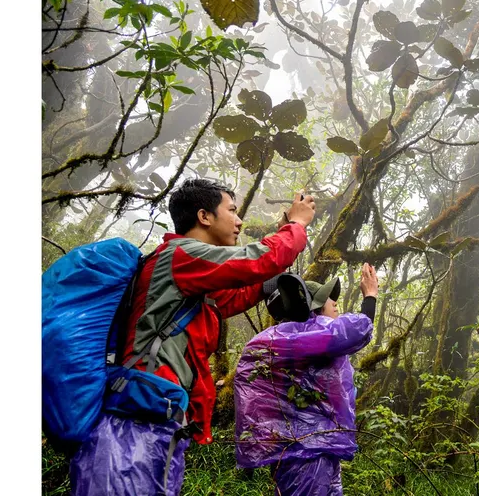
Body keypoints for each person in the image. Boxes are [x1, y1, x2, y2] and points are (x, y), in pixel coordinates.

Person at [69, 178, 317, 496]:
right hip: (134, 424)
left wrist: (272, 276)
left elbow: (234, 296)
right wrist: (295, 225)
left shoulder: (193, 277)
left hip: (157, 420)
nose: (239, 220)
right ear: (204, 216)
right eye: (232, 210)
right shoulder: (180, 255)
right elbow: (258, 260)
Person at [233, 264, 380, 496]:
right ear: (312, 309)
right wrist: (370, 295)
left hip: (319, 446)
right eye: (328, 300)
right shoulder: (295, 339)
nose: (335, 304)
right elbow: (354, 331)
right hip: (304, 449)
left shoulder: (303, 342)